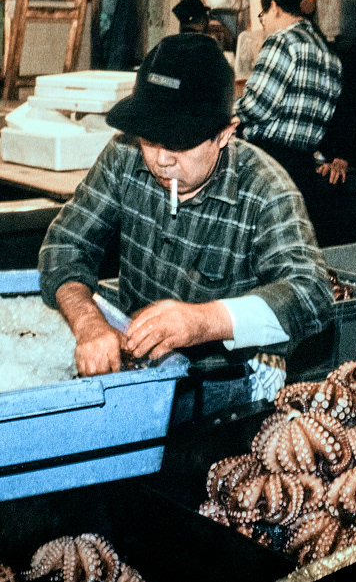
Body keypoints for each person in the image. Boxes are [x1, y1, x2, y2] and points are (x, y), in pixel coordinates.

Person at [38, 33, 333, 408]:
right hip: (137, 376)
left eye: (179, 143)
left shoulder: (265, 187)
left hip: (225, 382)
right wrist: (89, 323)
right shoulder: (123, 156)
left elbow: (311, 294)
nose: (161, 159)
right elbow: (65, 244)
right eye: (150, 138)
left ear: (225, 133)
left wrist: (204, 322)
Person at [234, 0, 344, 197]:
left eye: (262, 14)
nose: (263, 21)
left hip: (267, 163)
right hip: (303, 167)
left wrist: (226, 115)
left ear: (274, 6)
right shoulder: (329, 54)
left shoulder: (282, 40)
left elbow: (258, 105)